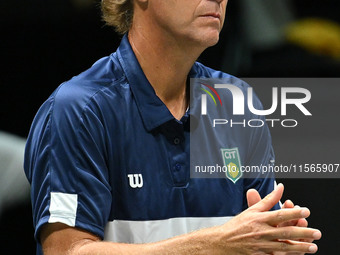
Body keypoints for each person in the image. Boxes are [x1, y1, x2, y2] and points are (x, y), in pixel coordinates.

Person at [24, 0, 321, 254]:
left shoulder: (238, 103)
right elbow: (68, 250)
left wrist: (275, 241)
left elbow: (248, 242)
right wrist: (212, 245)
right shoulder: (77, 110)